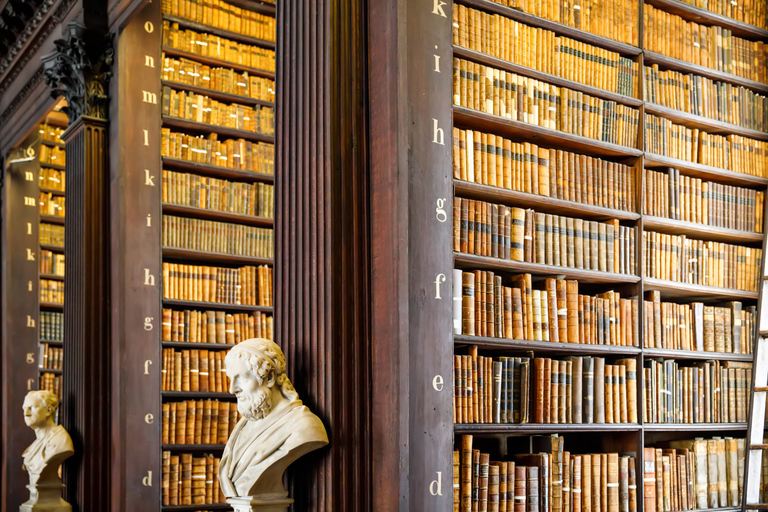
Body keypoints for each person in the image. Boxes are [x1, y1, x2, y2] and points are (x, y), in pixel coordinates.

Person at [219, 338, 328, 498]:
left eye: (241, 378)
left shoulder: (304, 426)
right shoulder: (244, 425)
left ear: (269, 377)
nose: (232, 389)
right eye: (230, 379)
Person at [20, 390, 73, 511]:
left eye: (31, 408)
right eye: (24, 408)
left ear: (48, 410)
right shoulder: (33, 446)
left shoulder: (60, 440)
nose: (26, 413)